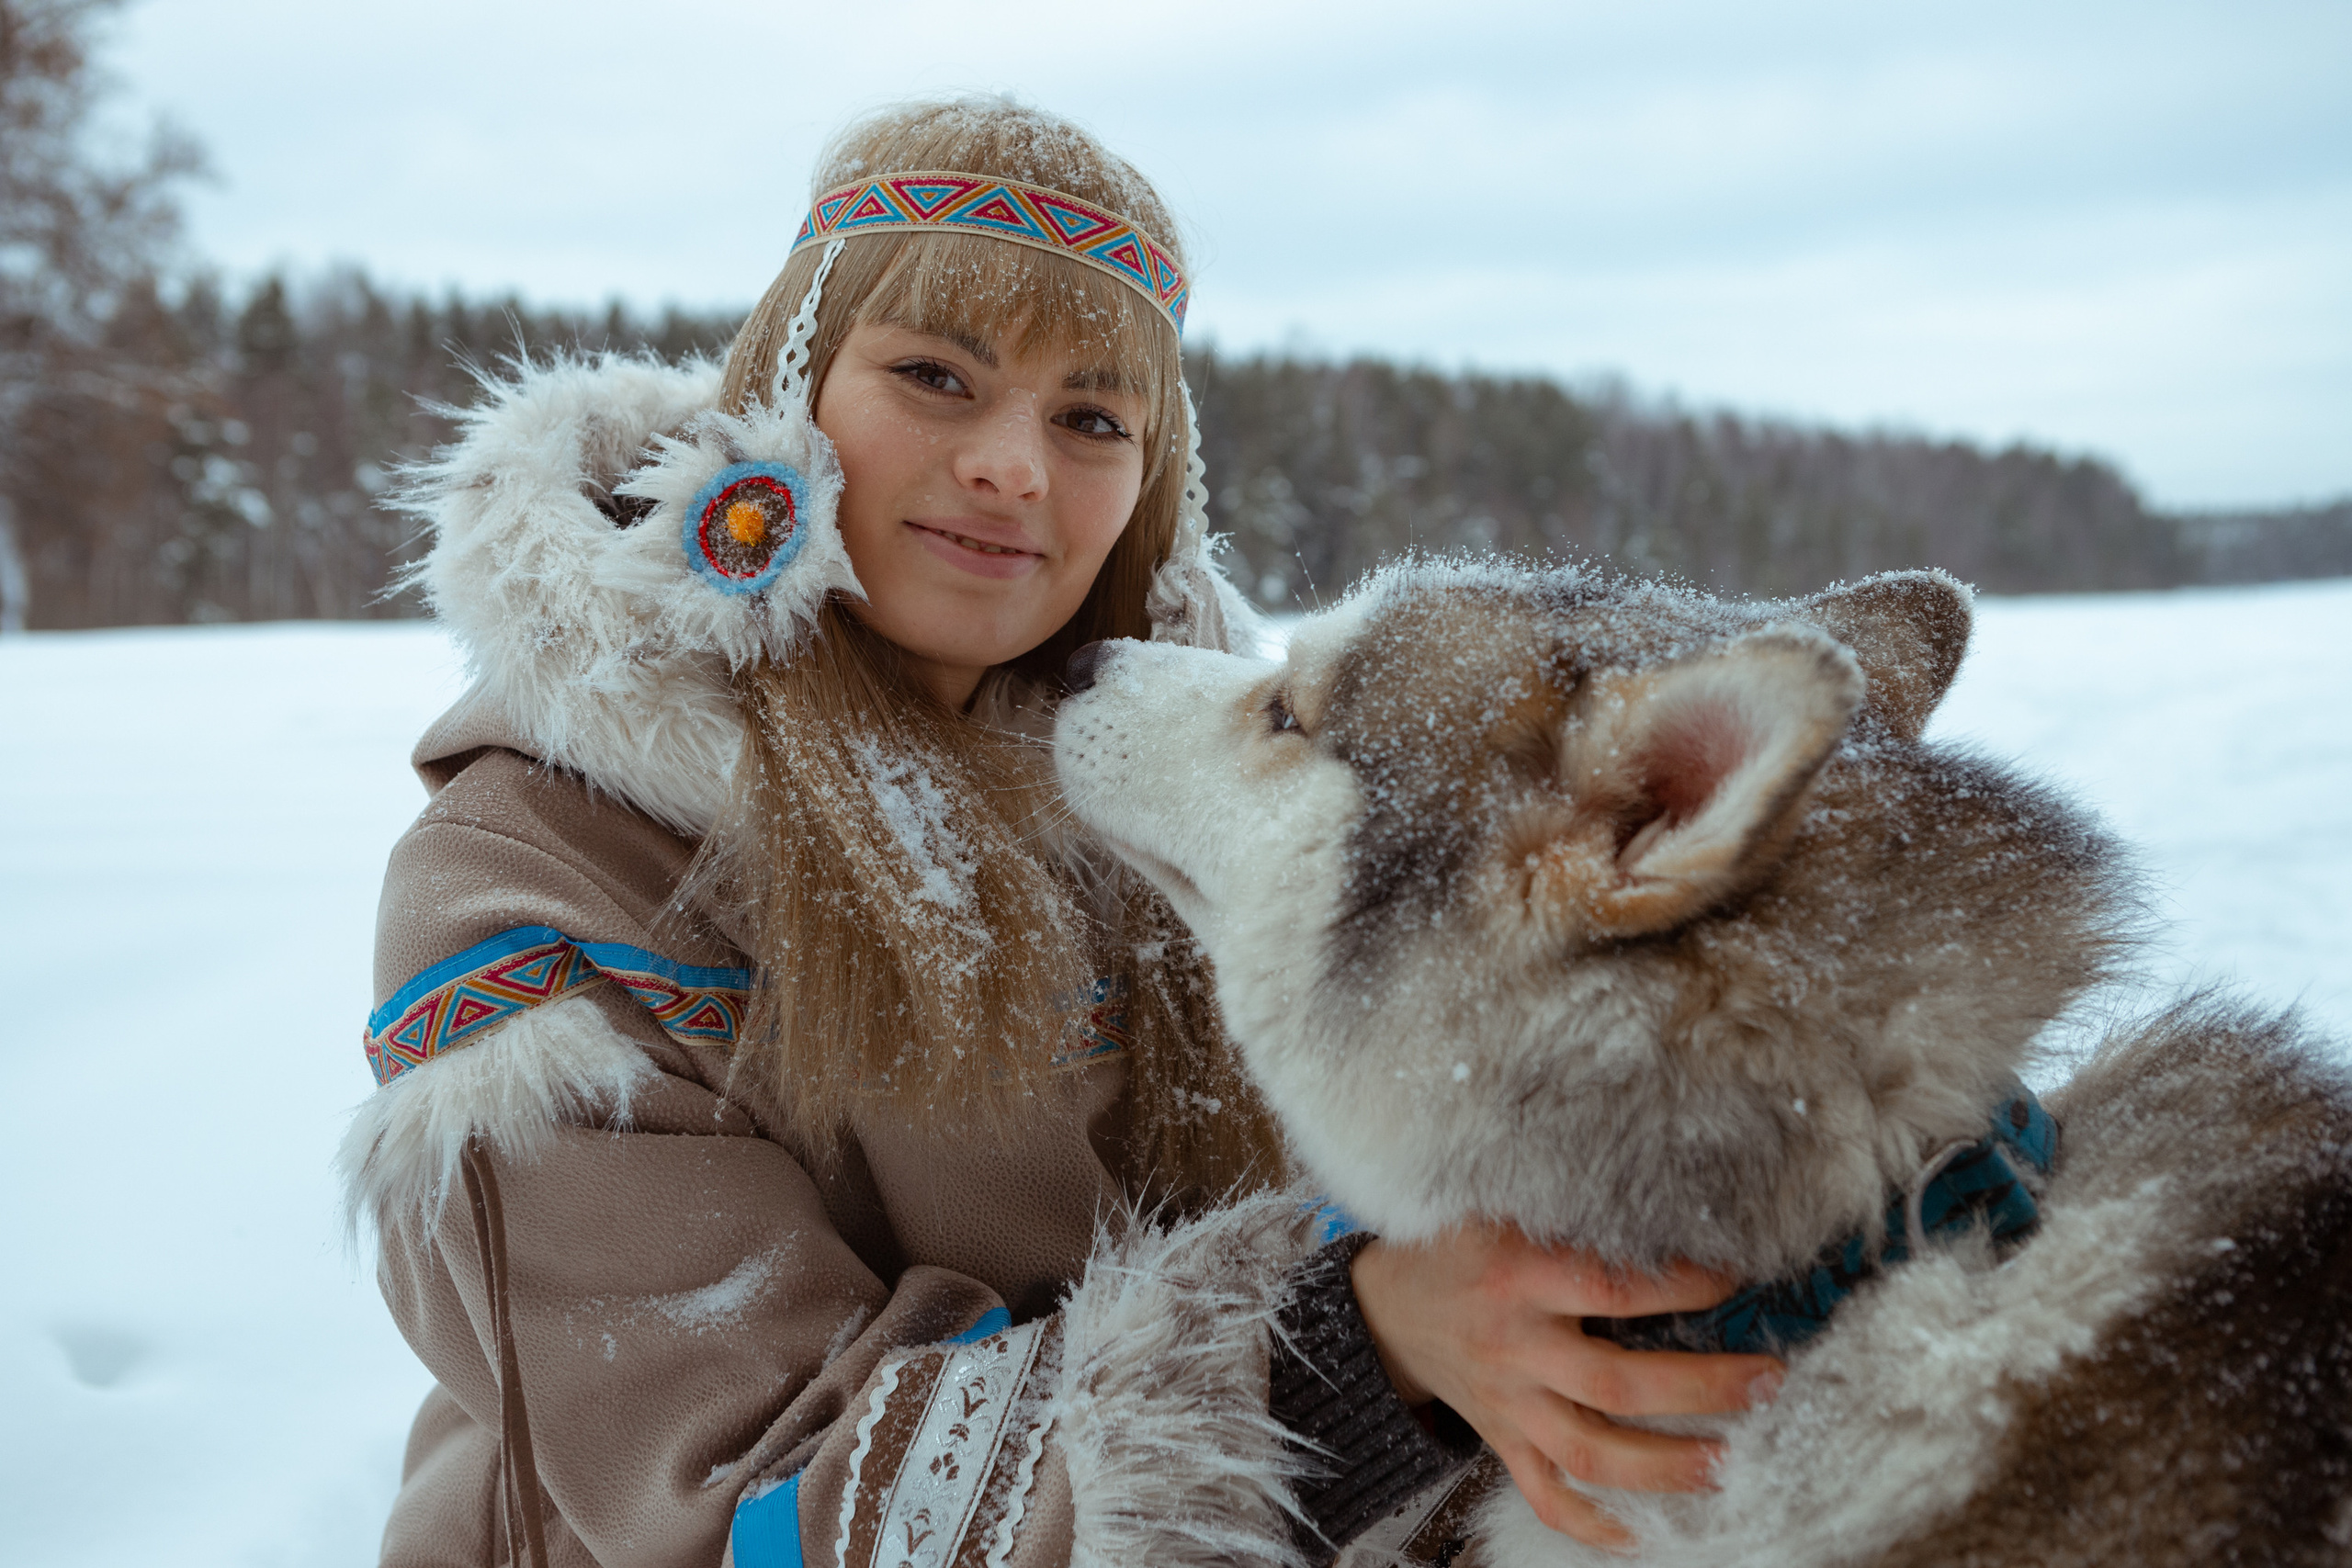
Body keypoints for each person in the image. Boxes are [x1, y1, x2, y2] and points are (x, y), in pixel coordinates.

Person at [340, 96, 1780, 1568]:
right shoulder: (543, 871)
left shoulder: (1179, 812)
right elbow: (754, 1510)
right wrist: (1353, 1353)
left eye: (1092, 418)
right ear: (787, 391)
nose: (1016, 469)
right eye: (936, 376)